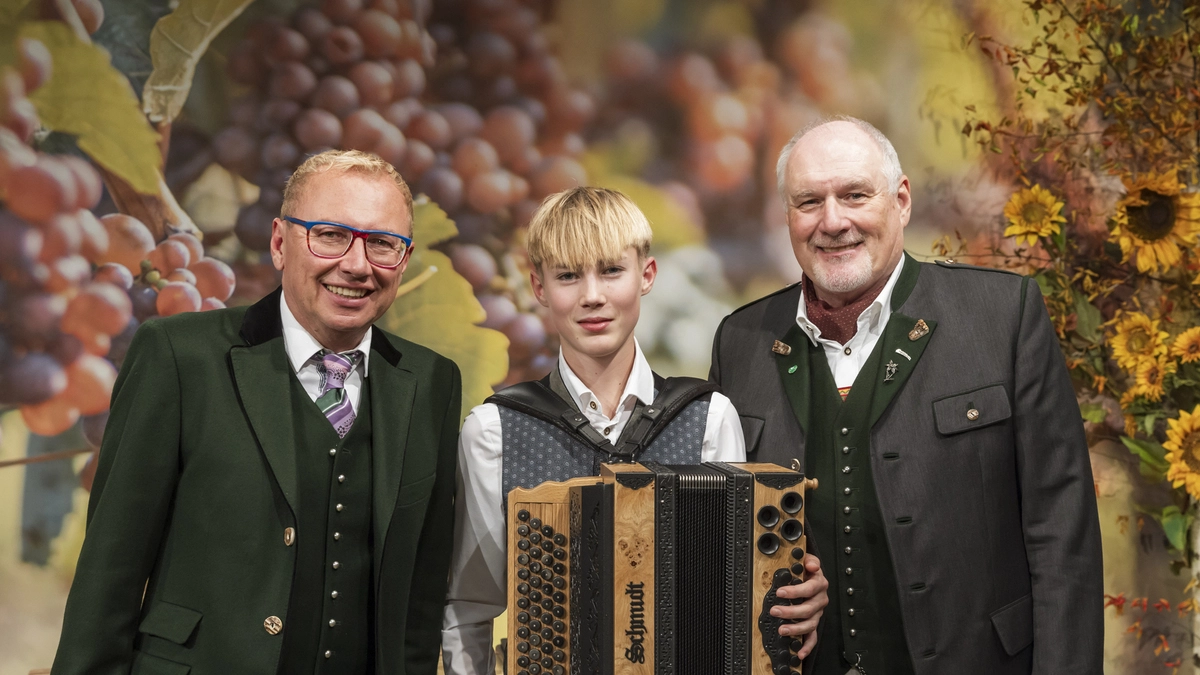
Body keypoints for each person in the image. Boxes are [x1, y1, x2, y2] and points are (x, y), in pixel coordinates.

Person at [710, 116, 1103, 674]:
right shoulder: (740, 342)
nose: (832, 221)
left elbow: (1063, 537)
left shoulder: (1003, 317)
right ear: (787, 218)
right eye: (808, 202)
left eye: (854, 195)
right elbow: (717, 539)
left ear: (901, 201)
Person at [51, 150, 461, 674]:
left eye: (382, 244)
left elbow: (419, 603)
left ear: (402, 260)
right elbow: (109, 576)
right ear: (278, 243)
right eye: (331, 235)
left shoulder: (432, 382)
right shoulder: (178, 356)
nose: (357, 266)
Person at [440, 186, 829, 674]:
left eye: (610, 270)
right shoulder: (493, 432)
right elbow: (468, 611)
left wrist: (792, 604)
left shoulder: (708, 417)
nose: (592, 296)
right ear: (538, 287)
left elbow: (740, 600)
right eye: (567, 276)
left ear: (646, 275)